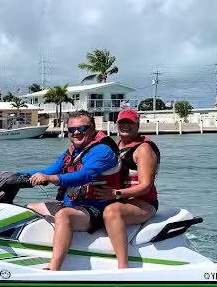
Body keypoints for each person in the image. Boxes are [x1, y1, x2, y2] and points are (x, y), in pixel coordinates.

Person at [20, 110, 121, 270]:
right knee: (27, 209)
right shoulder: (72, 152)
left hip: (96, 210)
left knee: (63, 215)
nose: (76, 133)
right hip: (74, 205)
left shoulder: (102, 151)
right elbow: (50, 170)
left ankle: (53, 269)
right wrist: (16, 176)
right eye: (71, 130)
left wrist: (53, 179)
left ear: (93, 129)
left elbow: (85, 175)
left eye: (82, 129)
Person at [93, 108, 160, 268]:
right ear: (116, 124)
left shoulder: (143, 149)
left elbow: (145, 186)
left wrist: (115, 194)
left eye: (130, 123)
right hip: (118, 199)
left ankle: (123, 267)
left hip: (143, 202)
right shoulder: (114, 147)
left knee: (111, 212)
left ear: (137, 125)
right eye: (122, 123)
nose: (125, 126)